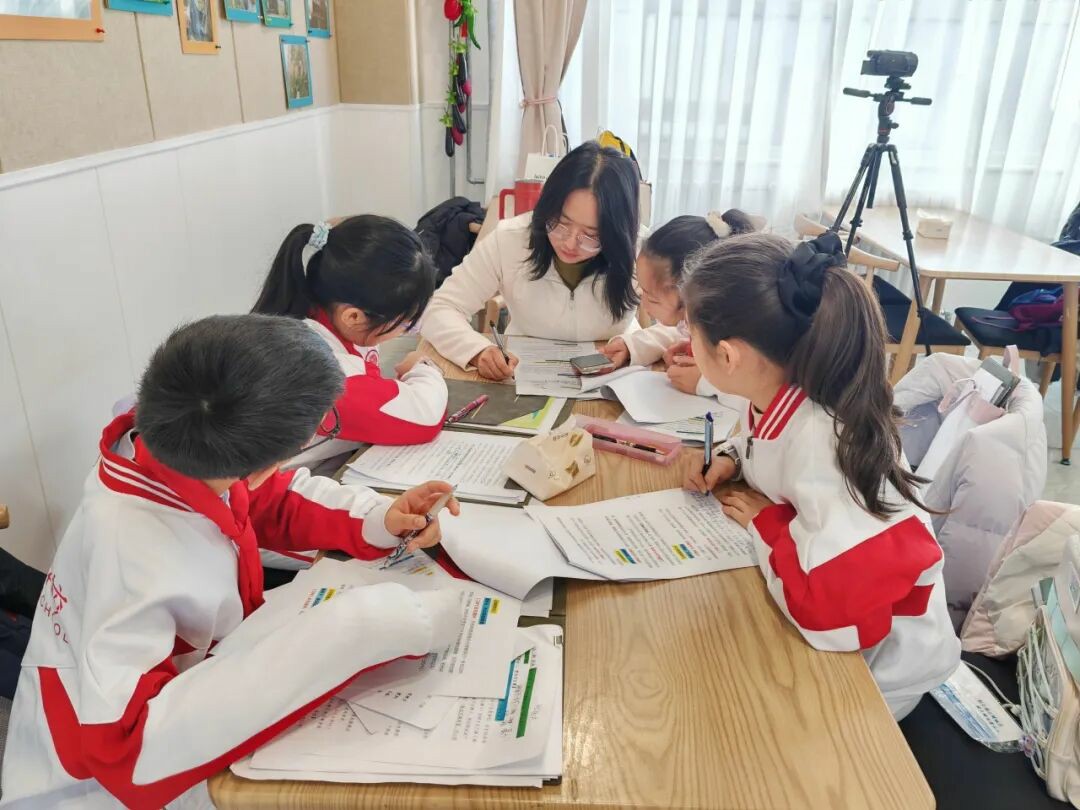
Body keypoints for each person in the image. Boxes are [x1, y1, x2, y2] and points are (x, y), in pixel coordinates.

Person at [1, 315, 462, 809]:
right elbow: (128, 753)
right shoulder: (135, 556)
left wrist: (377, 519)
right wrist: (360, 627)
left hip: (185, 679)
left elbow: (266, 499)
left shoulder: (166, 454)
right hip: (90, 789)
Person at [680, 232, 959, 719]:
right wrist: (731, 458)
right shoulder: (783, 391)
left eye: (690, 332)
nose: (686, 343)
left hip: (881, 671)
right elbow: (767, 451)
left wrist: (766, 524)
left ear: (727, 356)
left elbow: (828, 617)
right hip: (842, 608)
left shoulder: (822, 440)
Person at [421, 141, 642, 380]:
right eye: (561, 223)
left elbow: (673, 327)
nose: (570, 243)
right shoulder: (511, 239)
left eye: (591, 235)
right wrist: (477, 350)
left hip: (614, 377)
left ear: (617, 234)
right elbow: (441, 308)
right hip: (522, 374)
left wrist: (636, 347)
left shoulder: (641, 249)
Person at [253, 215, 448, 470]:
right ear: (354, 317)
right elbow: (424, 418)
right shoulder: (321, 372)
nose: (406, 330)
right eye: (404, 323)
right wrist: (423, 368)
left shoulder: (314, 314)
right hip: (279, 487)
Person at [599, 210, 756, 397]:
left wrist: (706, 383)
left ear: (689, 296)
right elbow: (672, 332)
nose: (643, 304)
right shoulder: (700, 320)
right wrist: (632, 347)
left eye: (652, 297)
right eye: (642, 290)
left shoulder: (745, 335)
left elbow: (763, 394)